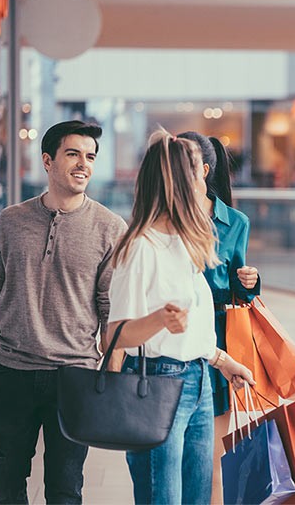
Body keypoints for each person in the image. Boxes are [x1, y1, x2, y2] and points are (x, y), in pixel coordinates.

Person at [0, 120, 128, 504]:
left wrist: (108, 382)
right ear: (47, 161)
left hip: (75, 376)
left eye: (90, 157)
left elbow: (110, 311)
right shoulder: (11, 221)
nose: (84, 164)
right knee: (5, 480)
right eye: (73, 154)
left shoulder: (110, 228)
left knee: (65, 488)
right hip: (14, 370)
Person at [106, 130, 255, 505]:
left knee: (197, 498)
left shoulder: (189, 243)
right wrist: (159, 320)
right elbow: (112, 337)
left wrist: (223, 361)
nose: (204, 178)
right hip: (157, 383)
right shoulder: (141, 248)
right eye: (193, 172)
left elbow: (195, 329)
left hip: (199, 378)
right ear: (172, 183)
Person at [177, 130, 260, 504]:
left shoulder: (235, 222)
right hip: (173, 339)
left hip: (217, 341)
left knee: (210, 460)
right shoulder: (163, 217)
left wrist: (251, 282)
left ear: (204, 169)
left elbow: (239, 291)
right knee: (172, 459)